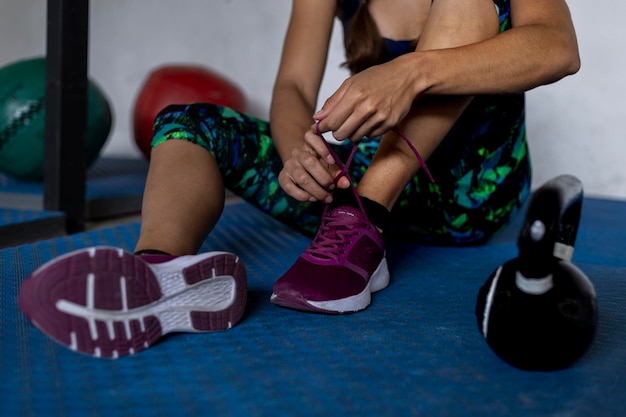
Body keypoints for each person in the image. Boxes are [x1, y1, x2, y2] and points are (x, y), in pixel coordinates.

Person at [18, 0, 580, 357]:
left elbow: (558, 48)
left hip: (465, 195)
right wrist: (296, 153)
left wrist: (410, 73)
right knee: (188, 120)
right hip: (348, 189)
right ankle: (161, 273)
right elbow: (290, 90)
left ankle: (365, 226)